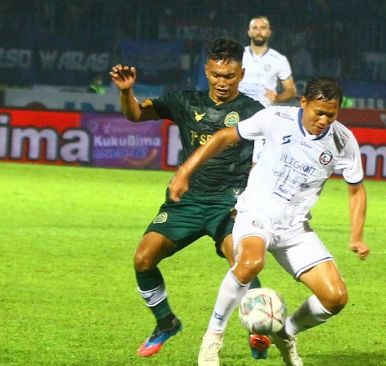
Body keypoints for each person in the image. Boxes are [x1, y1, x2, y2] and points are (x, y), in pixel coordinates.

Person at [168, 76, 370, 366]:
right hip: (256, 213)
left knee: (335, 297)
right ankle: (212, 338)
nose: (324, 120)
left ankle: (286, 333)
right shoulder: (275, 118)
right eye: (319, 112)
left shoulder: (343, 140)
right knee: (251, 263)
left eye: (331, 114)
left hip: (295, 228)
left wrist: (357, 235)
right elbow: (224, 136)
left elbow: (356, 190)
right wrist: (184, 171)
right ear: (304, 103)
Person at [109, 38, 264, 358]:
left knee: (243, 262)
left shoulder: (254, 112)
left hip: (230, 204)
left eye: (230, 76)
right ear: (206, 71)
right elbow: (136, 114)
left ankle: (260, 326)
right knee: (143, 259)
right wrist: (127, 92)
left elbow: (271, 158)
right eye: (217, 75)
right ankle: (166, 322)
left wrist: (254, 200)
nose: (223, 82)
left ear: (242, 74)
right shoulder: (183, 100)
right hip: (187, 202)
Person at [239, 16, 297, 107]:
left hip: (263, 110)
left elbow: (291, 91)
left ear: (269, 32)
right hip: (238, 107)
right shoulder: (237, 55)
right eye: (255, 28)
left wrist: (277, 98)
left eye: (263, 28)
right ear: (249, 33)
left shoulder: (279, 59)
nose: (259, 32)